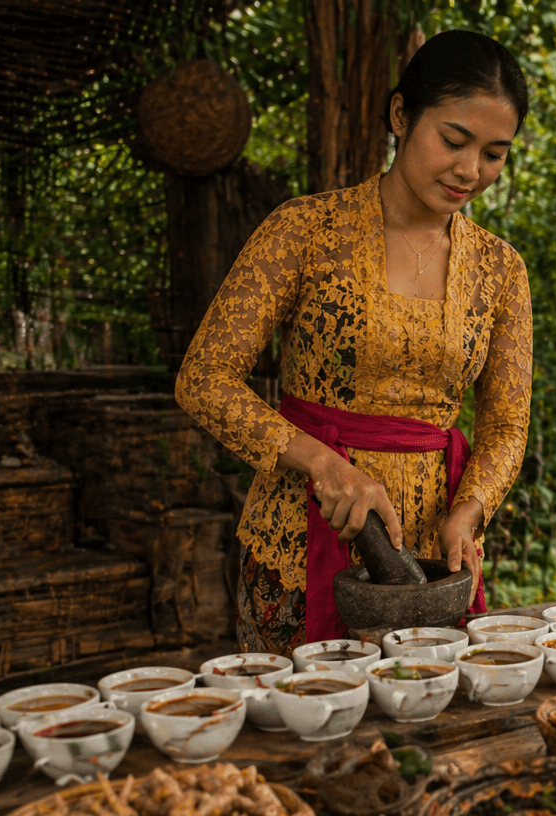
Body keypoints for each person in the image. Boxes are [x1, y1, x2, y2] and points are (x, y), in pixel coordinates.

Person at [176, 30, 532, 653]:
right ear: (400, 115)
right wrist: (322, 464)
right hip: (295, 543)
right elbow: (204, 378)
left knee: (422, 713)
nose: (470, 170)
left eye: (494, 154)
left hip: (432, 565)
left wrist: (470, 511)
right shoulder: (305, 230)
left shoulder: (500, 270)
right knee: (294, 710)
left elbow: (505, 425)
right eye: (453, 141)